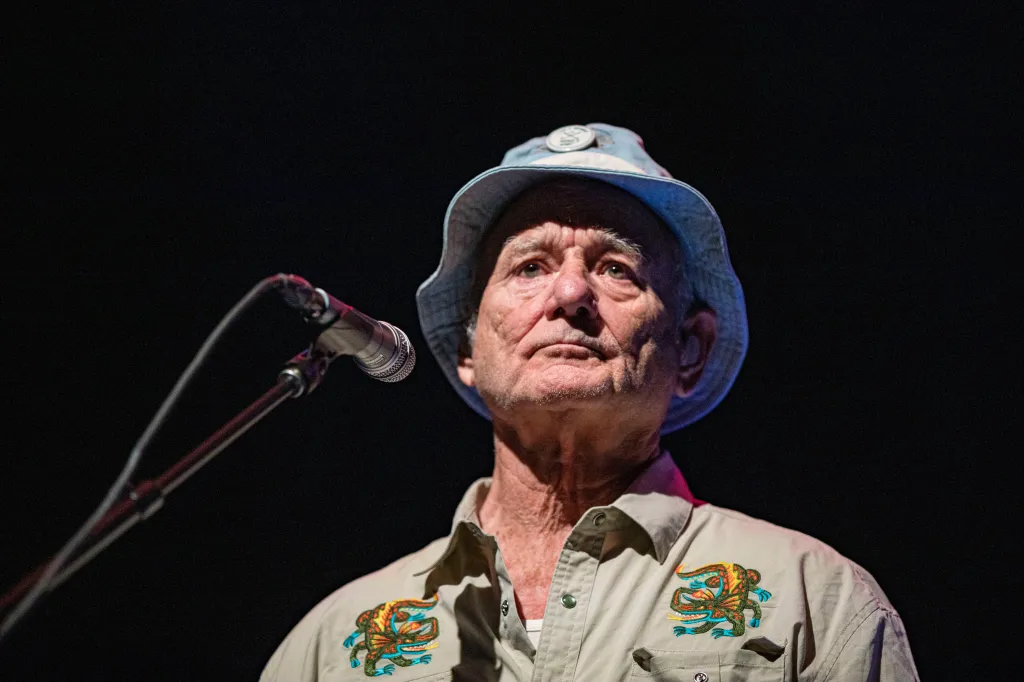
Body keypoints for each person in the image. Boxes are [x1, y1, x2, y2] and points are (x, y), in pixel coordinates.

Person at [260, 124, 919, 681]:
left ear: (689, 347)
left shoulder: (814, 599)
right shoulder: (334, 643)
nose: (571, 292)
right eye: (530, 268)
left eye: (615, 269)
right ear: (465, 350)